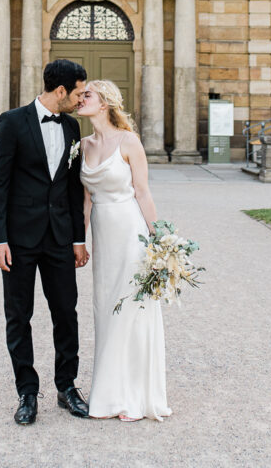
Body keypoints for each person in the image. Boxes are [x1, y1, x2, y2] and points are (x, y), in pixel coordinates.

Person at [0, 59, 90, 426]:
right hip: (19, 239)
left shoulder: (74, 128)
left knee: (66, 313)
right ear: (60, 91)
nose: (81, 100)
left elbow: (75, 187)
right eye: (78, 93)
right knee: (19, 316)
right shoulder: (12, 122)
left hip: (60, 238)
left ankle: (67, 387)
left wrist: (79, 238)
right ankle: (27, 392)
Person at [79, 79, 172, 422]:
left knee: (132, 309)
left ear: (103, 103)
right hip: (104, 237)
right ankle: (108, 394)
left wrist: (160, 238)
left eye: (86, 94)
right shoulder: (84, 145)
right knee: (105, 308)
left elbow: (143, 193)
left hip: (130, 231)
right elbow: (87, 200)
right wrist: (80, 240)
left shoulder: (129, 141)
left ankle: (133, 396)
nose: (79, 98)